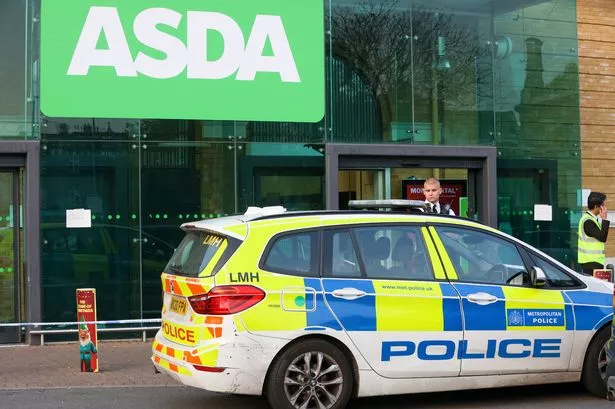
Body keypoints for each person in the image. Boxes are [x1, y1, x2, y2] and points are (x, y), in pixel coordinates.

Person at [578, 191, 609, 276]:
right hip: (591, 263)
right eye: (603, 205)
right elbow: (602, 237)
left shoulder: (592, 219)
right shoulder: (588, 221)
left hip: (593, 262)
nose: (605, 208)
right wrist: (605, 219)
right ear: (596, 206)